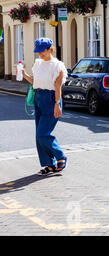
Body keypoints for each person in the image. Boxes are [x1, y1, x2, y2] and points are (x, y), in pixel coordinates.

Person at [20, 38, 68, 175]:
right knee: (38, 135)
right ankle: (49, 165)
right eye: (38, 51)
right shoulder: (38, 63)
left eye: (42, 51)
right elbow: (35, 82)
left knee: (43, 134)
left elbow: (57, 86)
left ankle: (60, 156)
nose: (40, 54)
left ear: (50, 49)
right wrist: (25, 75)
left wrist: (57, 104)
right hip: (38, 97)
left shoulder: (57, 65)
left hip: (51, 99)